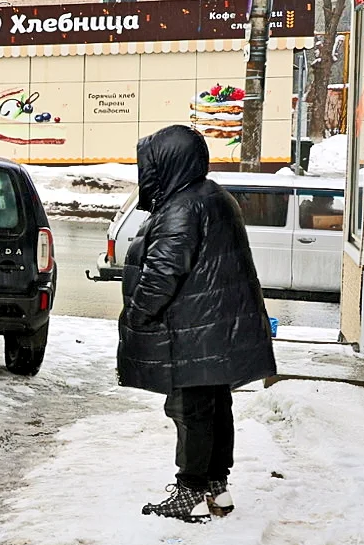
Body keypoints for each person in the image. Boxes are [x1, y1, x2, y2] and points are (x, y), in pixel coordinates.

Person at [118, 124, 276, 522]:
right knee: (215, 405)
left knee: (191, 409)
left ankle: (189, 489)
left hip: (194, 329)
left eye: (151, 164)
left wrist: (136, 315)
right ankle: (216, 488)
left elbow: (162, 273)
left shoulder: (183, 207)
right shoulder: (213, 196)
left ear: (169, 163)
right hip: (215, 327)